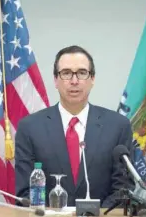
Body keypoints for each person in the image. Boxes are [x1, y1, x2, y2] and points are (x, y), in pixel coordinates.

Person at [15, 45, 134, 207]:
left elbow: (123, 190)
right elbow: (25, 193)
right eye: (66, 73)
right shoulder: (30, 127)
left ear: (92, 79)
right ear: (55, 80)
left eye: (82, 73)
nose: (74, 81)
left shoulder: (118, 126)